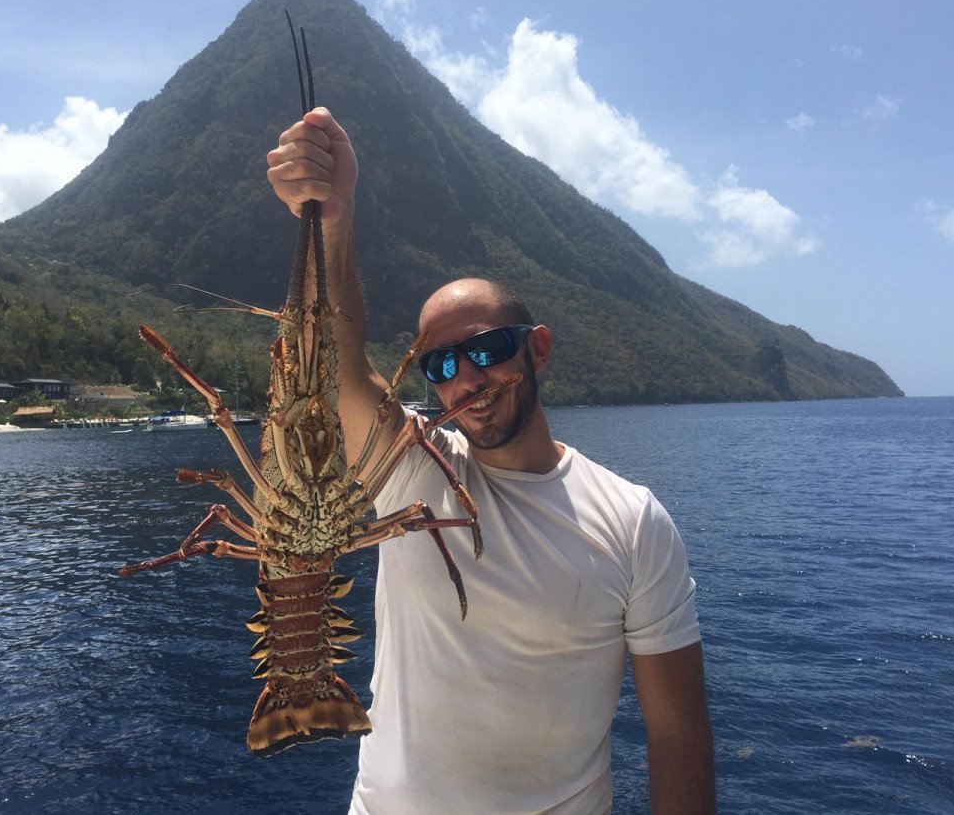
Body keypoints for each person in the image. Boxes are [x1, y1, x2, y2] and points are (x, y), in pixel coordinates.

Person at [267, 107, 715, 814]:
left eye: (485, 349)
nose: (464, 379)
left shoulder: (634, 522)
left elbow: (678, 734)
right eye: (440, 365)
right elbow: (334, 369)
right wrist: (332, 219)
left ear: (536, 349)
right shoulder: (416, 468)